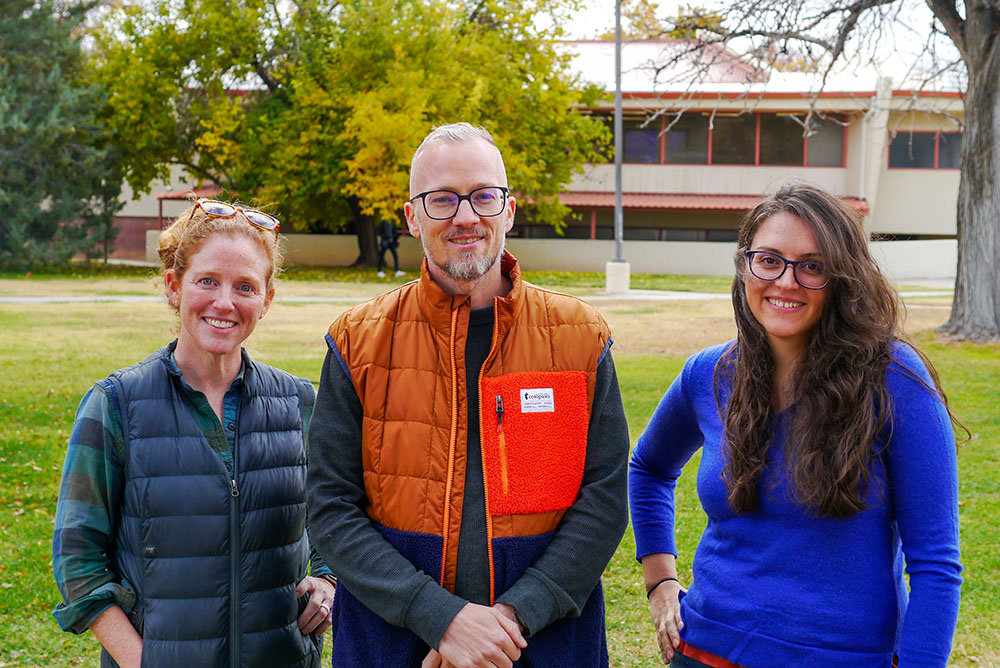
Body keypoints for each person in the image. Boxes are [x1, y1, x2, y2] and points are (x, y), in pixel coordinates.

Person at [307, 122, 629, 668]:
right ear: (411, 216)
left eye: (483, 196)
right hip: (394, 644)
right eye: (441, 200)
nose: (465, 216)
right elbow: (331, 507)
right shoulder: (356, 341)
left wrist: (511, 620)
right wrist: (442, 619)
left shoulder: (580, 337)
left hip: (546, 645)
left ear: (507, 210)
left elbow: (603, 499)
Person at [629, 180, 963, 668]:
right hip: (705, 647)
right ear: (745, 265)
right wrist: (660, 581)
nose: (785, 282)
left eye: (812, 266)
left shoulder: (897, 380)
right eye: (768, 260)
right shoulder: (710, 373)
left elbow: (935, 565)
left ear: (844, 278)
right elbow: (649, 467)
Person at [52, 199, 337, 668]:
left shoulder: (301, 404)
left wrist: (327, 583)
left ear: (266, 300)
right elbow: (78, 563)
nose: (224, 302)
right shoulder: (115, 406)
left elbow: (337, 523)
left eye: (245, 286)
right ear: (173, 287)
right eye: (207, 281)